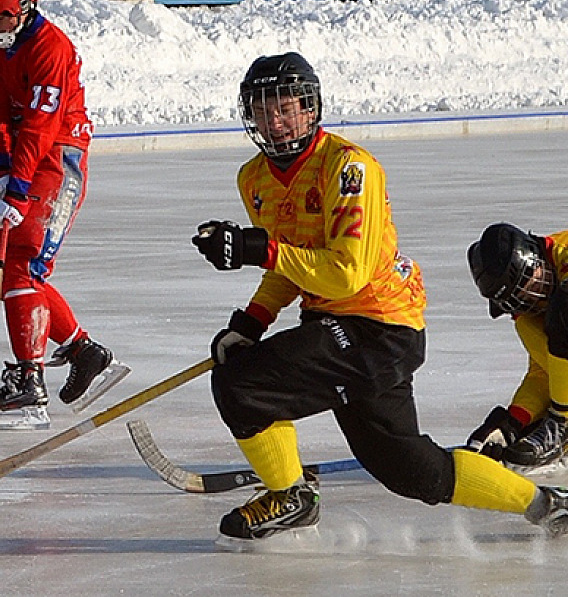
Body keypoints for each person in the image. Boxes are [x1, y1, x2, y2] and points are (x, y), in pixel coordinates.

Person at [191, 51, 568, 544]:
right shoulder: (254, 180)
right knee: (410, 470)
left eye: (286, 108)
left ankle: (290, 495)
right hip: (338, 326)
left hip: (378, 327)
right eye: (263, 111)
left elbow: (345, 274)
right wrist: (252, 320)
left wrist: (257, 250)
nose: (276, 123)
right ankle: (547, 505)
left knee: (242, 387)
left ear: (311, 109)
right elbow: (293, 262)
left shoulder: (350, 169)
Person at [0, 0, 126, 429]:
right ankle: (83, 350)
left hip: (58, 157)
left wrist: (17, 190)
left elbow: (41, 125)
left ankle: (29, 384)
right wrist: (1, 169)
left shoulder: (51, 47)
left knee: (22, 265)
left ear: (21, 4)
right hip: (21, 159)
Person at [466, 222, 568, 468]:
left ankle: (563, 422)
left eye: (530, 285)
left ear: (535, 258)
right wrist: (514, 421)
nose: (534, 300)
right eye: (520, 301)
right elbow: (545, 373)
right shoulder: (532, 315)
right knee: (533, 323)